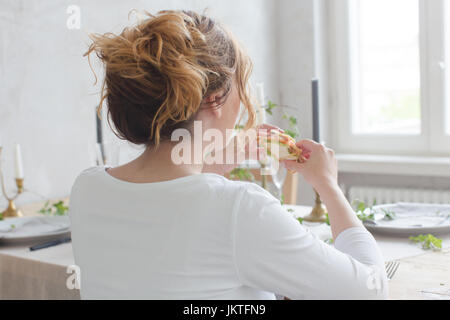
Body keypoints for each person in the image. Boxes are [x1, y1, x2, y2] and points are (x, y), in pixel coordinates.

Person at [69, 10, 388, 299]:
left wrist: (215, 159)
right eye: (240, 84)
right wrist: (327, 184)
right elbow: (369, 291)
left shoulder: (87, 189)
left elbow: (169, 205)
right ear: (216, 98)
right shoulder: (240, 209)